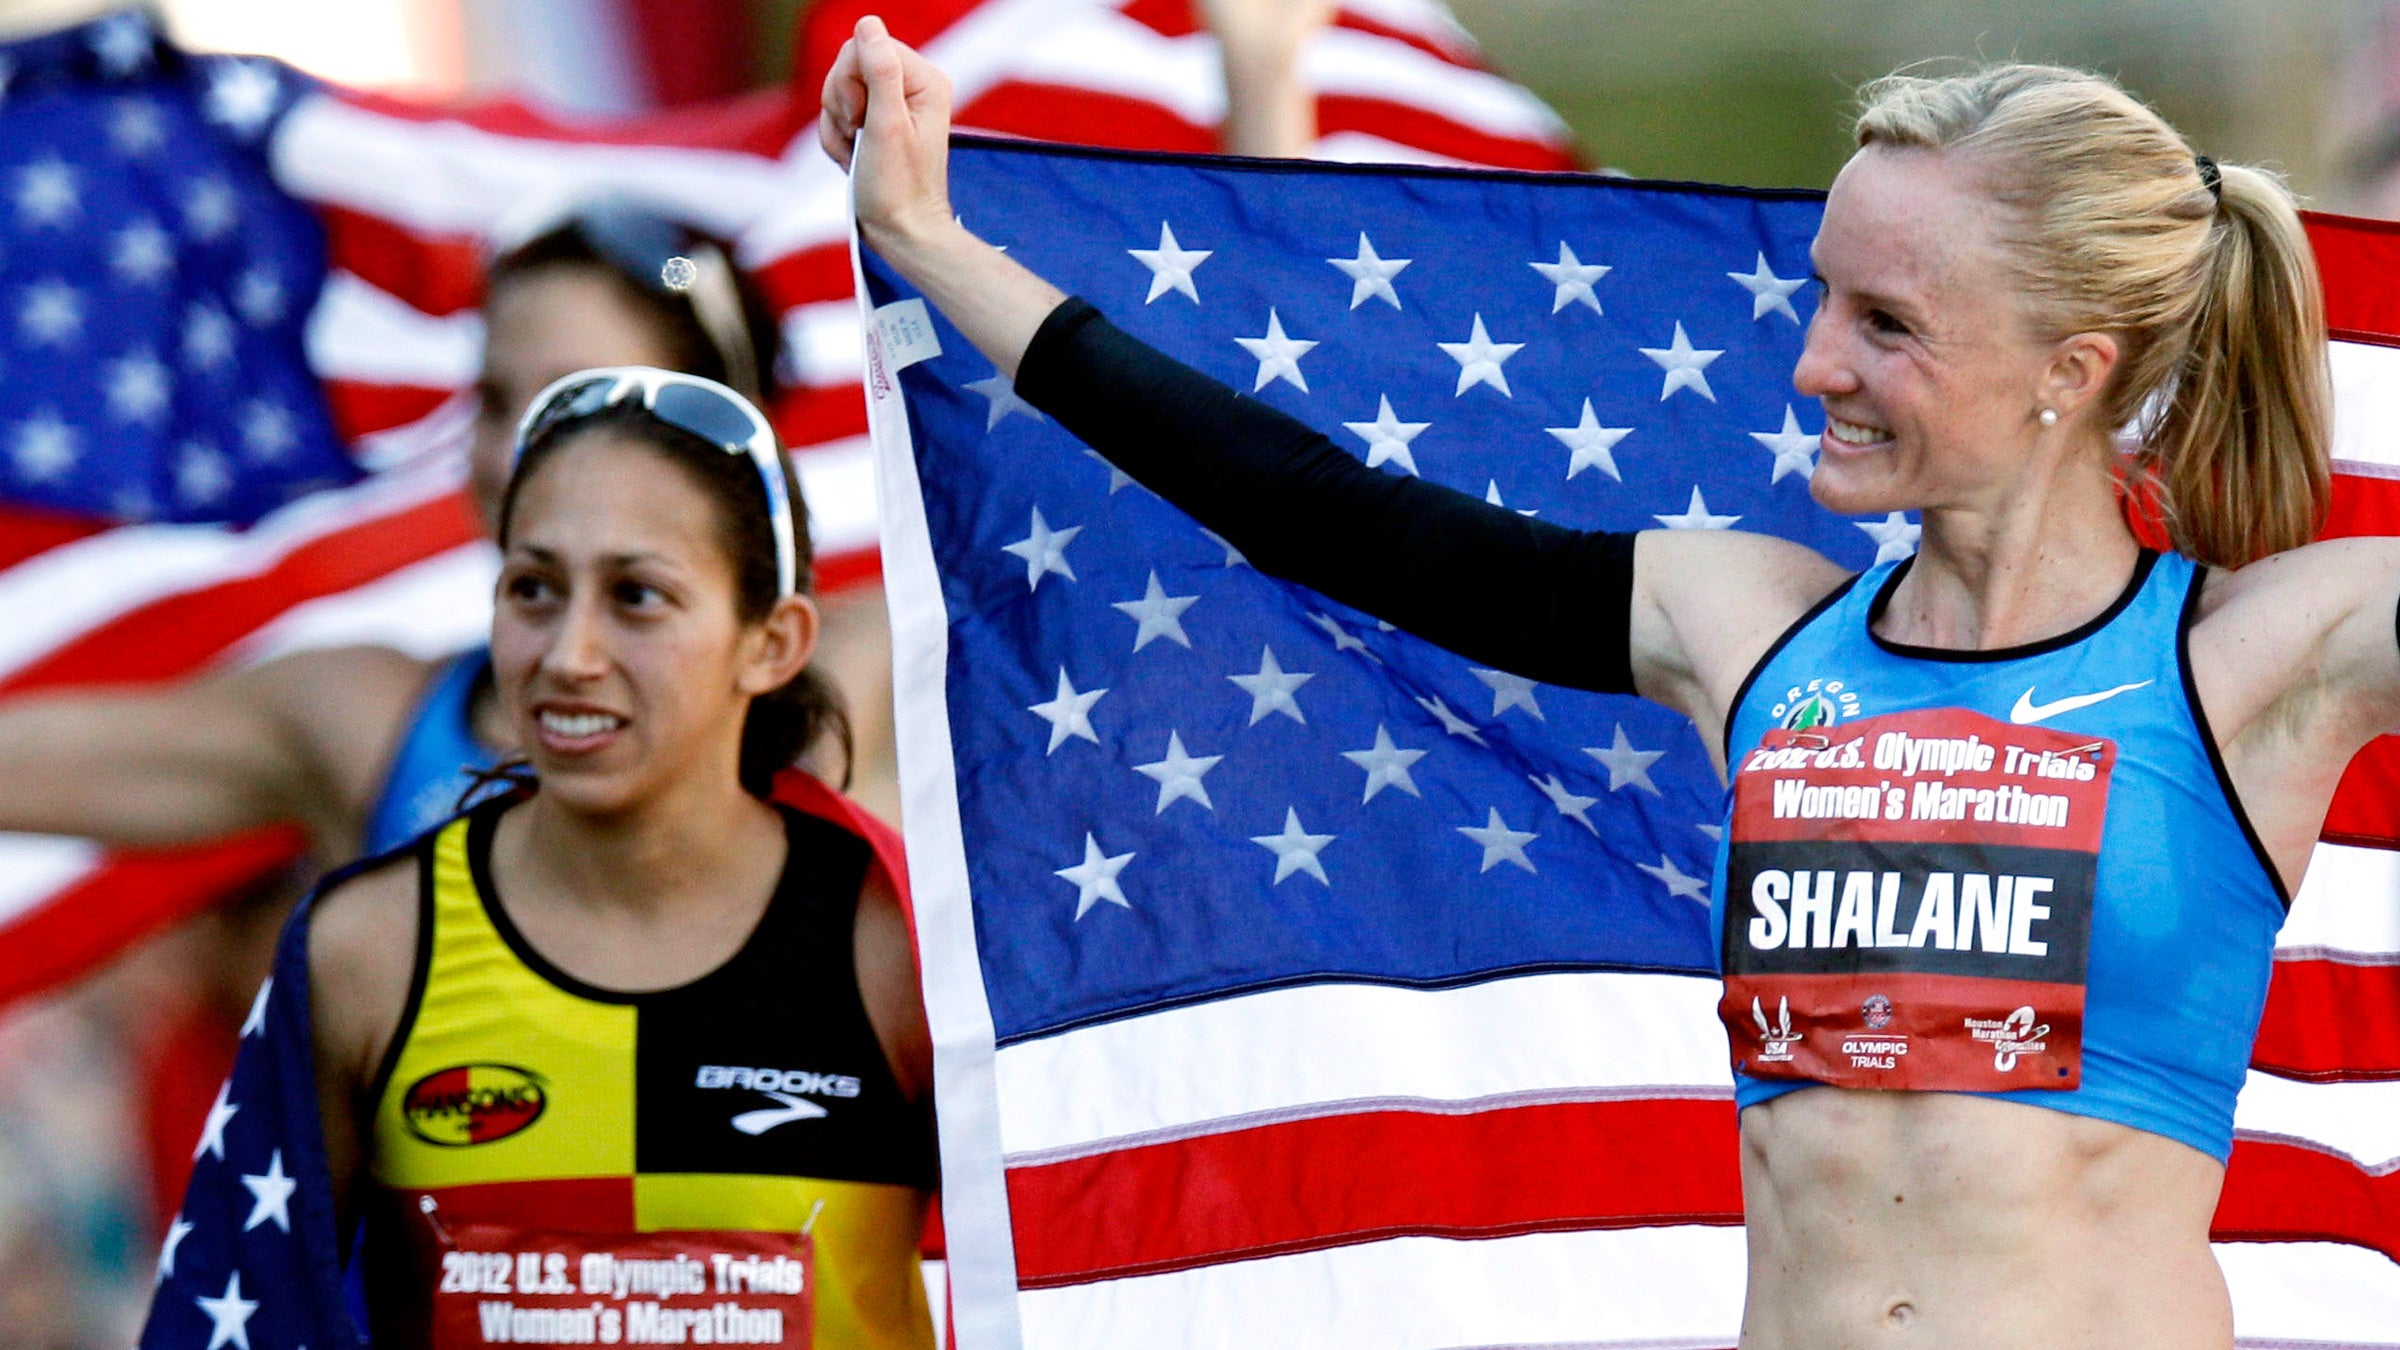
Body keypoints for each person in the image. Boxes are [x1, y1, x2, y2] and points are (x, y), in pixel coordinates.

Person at [823, 17, 2400, 1348]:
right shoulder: (1746, 624)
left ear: (2073, 368)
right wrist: (933, 243)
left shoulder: (2260, 654)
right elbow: (1321, 510)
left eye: (1888, 325)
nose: (1813, 367)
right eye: (1825, 301)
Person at [306, 367, 937, 1347]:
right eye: (533, 590)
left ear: (773, 644)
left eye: (636, 596)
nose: (569, 653)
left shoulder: (902, 947)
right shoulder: (364, 955)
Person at [0, 201, 890, 864]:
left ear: (721, 432)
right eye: (494, 401)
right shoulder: (364, 721)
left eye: (570, 403)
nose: (511, 451)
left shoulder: (881, 675)